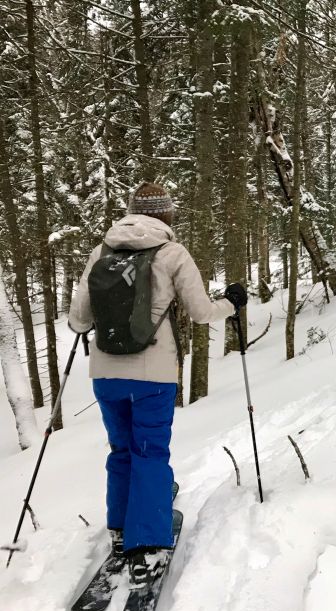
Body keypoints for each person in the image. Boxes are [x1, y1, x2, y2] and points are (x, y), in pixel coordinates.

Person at [68, 183, 246, 585]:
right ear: (167, 214)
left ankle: (119, 529)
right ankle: (146, 546)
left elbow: (78, 321)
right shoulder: (172, 253)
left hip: (106, 373)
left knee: (123, 450)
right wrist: (232, 302)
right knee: (149, 451)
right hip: (154, 375)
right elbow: (201, 313)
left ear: (131, 211)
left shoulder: (101, 252)